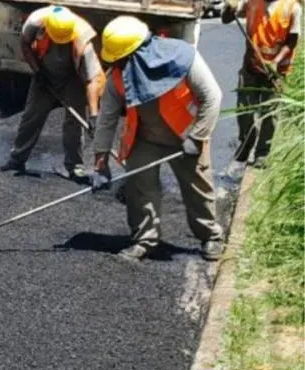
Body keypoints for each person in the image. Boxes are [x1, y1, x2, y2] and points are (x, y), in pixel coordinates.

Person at [92, 16, 226, 262]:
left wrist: (197, 137)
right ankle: (144, 240)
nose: (118, 64)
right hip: (144, 139)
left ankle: (211, 236)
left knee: (198, 189)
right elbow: (106, 118)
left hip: (185, 135)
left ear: (139, 53)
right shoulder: (118, 76)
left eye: (122, 59)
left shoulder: (183, 58)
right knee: (140, 189)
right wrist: (100, 161)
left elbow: (212, 97)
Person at [0, 5, 105, 183]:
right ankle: (16, 160)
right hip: (44, 74)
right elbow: (25, 45)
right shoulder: (35, 22)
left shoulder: (82, 38)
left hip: (72, 78)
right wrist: (37, 71)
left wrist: (94, 115)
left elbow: (91, 80)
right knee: (32, 116)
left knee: (75, 121)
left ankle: (75, 167)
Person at [221, 0, 301, 165]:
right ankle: (246, 142)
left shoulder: (292, 7)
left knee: (269, 114)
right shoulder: (251, 0)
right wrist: (227, 10)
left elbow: (291, 41)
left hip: (275, 72)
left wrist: (275, 62)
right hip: (250, 67)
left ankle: (262, 153)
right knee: (244, 112)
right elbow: (228, 19)